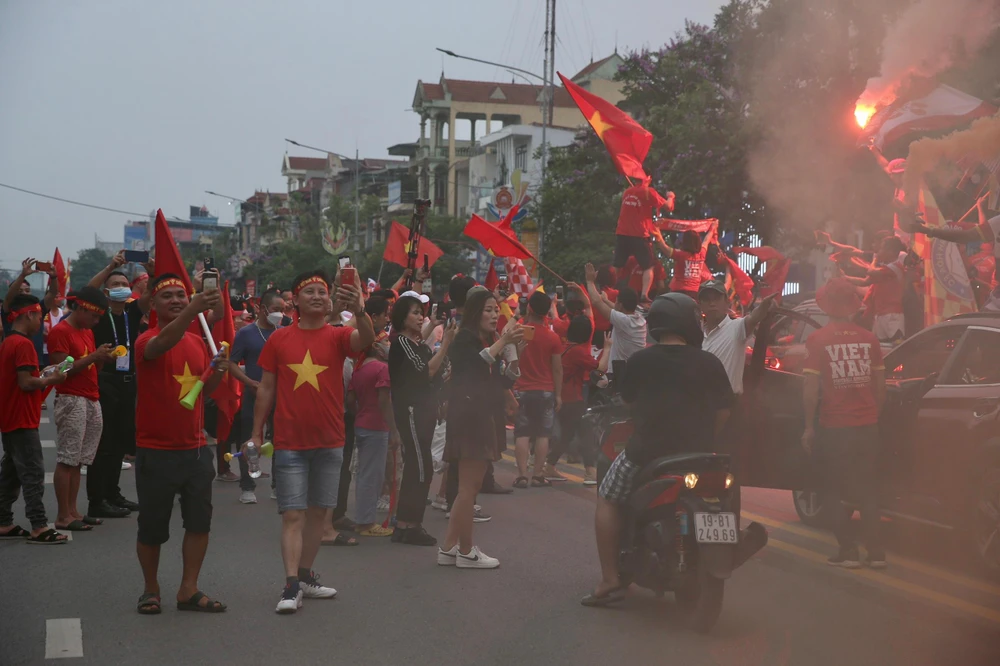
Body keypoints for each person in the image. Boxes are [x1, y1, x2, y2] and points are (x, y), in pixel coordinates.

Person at [583, 293, 733, 606]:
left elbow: (628, 402)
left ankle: (610, 578)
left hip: (646, 455)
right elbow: (723, 412)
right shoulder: (710, 362)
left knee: (608, 497)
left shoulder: (641, 360)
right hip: (702, 457)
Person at [252, 269, 374, 614]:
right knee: (293, 515)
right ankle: (290, 585)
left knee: (320, 516)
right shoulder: (279, 339)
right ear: (296, 300)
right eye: (310, 292)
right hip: (290, 442)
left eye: (323, 291)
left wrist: (361, 309)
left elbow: (365, 339)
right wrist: (256, 431)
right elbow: (266, 388)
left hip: (330, 440)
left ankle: (304, 577)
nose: (318, 296)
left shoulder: (338, 336)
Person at [133, 273, 227, 614]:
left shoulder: (198, 343)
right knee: (152, 527)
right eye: (167, 296)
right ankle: (151, 589)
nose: (175, 300)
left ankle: (188, 590)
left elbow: (205, 390)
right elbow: (160, 347)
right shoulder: (146, 339)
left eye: (180, 296)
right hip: (156, 449)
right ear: (153, 304)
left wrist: (218, 370)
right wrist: (193, 311)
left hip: (196, 448)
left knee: (199, 523)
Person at [802, 278, 886, 570]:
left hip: (835, 427)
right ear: (853, 306)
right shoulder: (870, 339)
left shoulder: (818, 340)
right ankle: (876, 554)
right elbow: (880, 385)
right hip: (867, 426)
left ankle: (848, 550)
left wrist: (808, 427)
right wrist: (874, 415)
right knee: (867, 489)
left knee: (832, 489)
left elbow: (811, 389)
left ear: (826, 305)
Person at [439, 289, 523, 569]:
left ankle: (449, 547)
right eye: (488, 309)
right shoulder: (464, 338)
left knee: (468, 488)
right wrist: (502, 341)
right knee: (468, 489)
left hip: (480, 415)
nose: (494, 314)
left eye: (496, 310)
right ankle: (466, 551)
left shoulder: (485, 340)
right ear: (475, 312)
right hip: (469, 418)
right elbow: (475, 364)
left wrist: (514, 357)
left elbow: (499, 382)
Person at [85, 251, 151, 518]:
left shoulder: (132, 311)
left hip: (128, 382)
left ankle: (113, 494)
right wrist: (111, 265)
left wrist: (152, 270)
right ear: (106, 291)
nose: (121, 289)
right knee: (104, 443)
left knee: (122, 442)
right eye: (116, 285)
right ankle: (97, 500)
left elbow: (151, 296)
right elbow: (87, 291)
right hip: (104, 380)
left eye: (125, 285)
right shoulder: (99, 312)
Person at [0, 294, 68, 544]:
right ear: (29, 314)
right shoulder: (24, 344)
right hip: (21, 417)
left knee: (11, 473)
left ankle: (3, 520)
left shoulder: (9, 341)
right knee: (32, 472)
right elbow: (26, 382)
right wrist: (52, 379)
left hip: (11, 415)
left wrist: (44, 375)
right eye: (40, 315)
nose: (41, 319)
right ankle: (39, 526)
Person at [388, 295, 456, 545]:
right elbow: (426, 370)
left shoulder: (414, 343)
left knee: (421, 466)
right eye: (415, 313)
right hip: (411, 412)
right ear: (402, 317)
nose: (420, 317)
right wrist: (446, 342)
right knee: (419, 467)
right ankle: (407, 525)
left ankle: (409, 524)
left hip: (424, 411)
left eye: (421, 313)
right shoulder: (402, 343)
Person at [47, 287, 115, 532]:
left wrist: (100, 358)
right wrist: (93, 357)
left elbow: (89, 366)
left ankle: (74, 511)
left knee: (79, 461)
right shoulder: (60, 332)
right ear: (81, 308)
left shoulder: (87, 332)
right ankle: (63, 515)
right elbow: (61, 370)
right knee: (67, 459)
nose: (96, 322)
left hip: (91, 397)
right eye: (94, 317)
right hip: (71, 398)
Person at [228, 289, 285, 504]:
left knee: (280, 441)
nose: (280, 314)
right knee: (250, 442)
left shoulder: (284, 332)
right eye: (276, 309)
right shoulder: (246, 333)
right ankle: (247, 486)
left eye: (283, 310)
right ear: (262, 309)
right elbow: (232, 364)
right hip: (254, 394)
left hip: (281, 396)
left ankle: (278, 485)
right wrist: (249, 383)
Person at [546, 310, 610, 485]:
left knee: (568, 434)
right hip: (573, 399)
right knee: (586, 433)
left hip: (563, 396)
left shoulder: (564, 346)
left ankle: (550, 466)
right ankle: (590, 472)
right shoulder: (578, 352)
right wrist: (609, 347)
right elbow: (600, 368)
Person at [512, 291, 563, 489]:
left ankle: (522, 475)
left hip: (521, 389)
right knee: (543, 434)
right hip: (546, 391)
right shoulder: (553, 337)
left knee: (522, 433)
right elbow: (557, 368)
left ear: (529, 308)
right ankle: (538, 475)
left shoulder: (518, 332)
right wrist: (558, 395)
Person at [346, 340, 394, 537]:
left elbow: (350, 400)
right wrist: (393, 428)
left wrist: (361, 413)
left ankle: (363, 519)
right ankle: (365, 523)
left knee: (365, 474)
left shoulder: (358, 370)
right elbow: (384, 401)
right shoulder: (382, 369)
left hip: (361, 423)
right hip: (376, 426)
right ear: (379, 350)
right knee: (372, 476)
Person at [698, 279, 777, 396]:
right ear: (700, 304)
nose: (712, 303)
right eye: (707, 299)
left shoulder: (737, 327)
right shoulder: (696, 334)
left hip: (728, 405)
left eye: (716, 298)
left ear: (726, 302)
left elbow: (754, 317)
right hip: (701, 403)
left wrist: (764, 307)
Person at [612, 179, 674, 303]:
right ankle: (644, 295)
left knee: (617, 265)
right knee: (649, 266)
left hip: (622, 232)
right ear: (649, 177)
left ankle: (610, 288)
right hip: (639, 234)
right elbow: (669, 207)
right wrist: (670, 196)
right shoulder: (648, 192)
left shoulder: (627, 192)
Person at [584, 263, 646, 374]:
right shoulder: (640, 318)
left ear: (621, 305)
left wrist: (589, 281)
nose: (614, 303)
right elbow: (617, 309)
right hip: (635, 370)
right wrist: (607, 300)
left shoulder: (623, 321)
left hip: (621, 373)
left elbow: (596, 302)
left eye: (616, 301)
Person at [663, 230, 708, 300]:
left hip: (677, 292)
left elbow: (664, 248)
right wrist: (712, 229)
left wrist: (657, 234)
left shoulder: (680, 254)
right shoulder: (702, 254)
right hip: (694, 293)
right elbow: (706, 241)